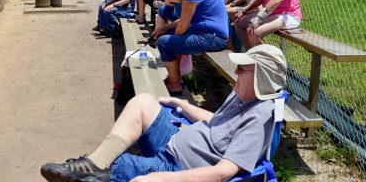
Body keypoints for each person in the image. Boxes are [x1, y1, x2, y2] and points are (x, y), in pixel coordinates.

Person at [40, 43, 287, 182]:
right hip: (172, 142)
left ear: (261, 79)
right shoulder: (243, 94)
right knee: (144, 101)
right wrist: (180, 104)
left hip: (178, 167)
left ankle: (95, 170)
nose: (236, 73)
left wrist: (159, 179)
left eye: (242, 70)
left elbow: (224, 172)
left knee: (119, 166)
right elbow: (218, 123)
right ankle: (93, 163)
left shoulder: (260, 116)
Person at [156, 0, 229, 94]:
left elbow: (183, 26)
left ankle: (175, 83)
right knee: (170, 35)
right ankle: (176, 77)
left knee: (163, 42)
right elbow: (183, 21)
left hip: (211, 38)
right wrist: (163, 29)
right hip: (214, 36)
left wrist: (170, 38)